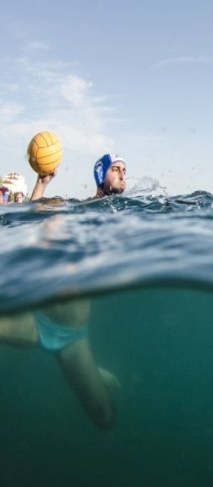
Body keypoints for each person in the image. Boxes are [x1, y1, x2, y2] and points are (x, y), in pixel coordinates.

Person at [0, 154, 126, 429]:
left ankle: (90, 370)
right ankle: (91, 371)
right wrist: (41, 185)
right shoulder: (80, 209)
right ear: (100, 175)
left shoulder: (124, 213)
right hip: (33, 323)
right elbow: (27, 220)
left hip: (71, 337)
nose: (123, 174)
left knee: (104, 418)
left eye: (124, 170)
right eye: (116, 169)